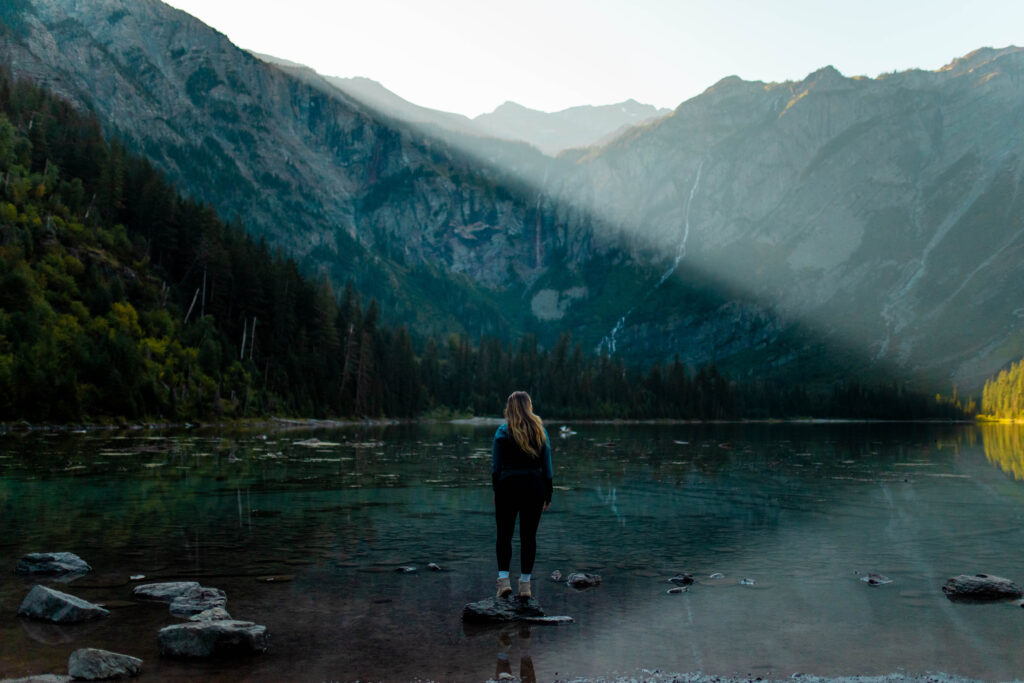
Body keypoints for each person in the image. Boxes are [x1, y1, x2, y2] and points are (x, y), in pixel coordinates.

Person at [491, 391, 553, 600]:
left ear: (510, 408)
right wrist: (548, 492)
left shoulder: (502, 432)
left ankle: (503, 582)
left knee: (504, 535)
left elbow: (495, 467)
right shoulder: (540, 431)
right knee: (529, 537)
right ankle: (525, 586)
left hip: (507, 487)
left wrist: (496, 489)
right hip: (534, 487)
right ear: (528, 407)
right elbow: (547, 466)